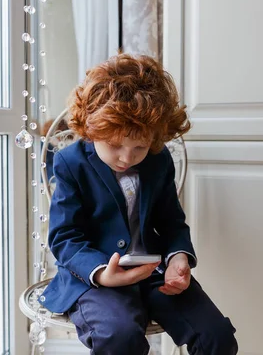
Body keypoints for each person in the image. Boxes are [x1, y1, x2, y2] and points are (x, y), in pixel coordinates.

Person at [38, 53, 238, 355]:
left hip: (153, 273)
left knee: (216, 336)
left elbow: (171, 221)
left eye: (140, 147)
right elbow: (64, 238)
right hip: (94, 280)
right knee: (120, 338)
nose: (127, 157)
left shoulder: (159, 161)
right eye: (115, 145)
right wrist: (102, 273)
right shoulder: (70, 163)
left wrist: (178, 258)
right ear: (92, 131)